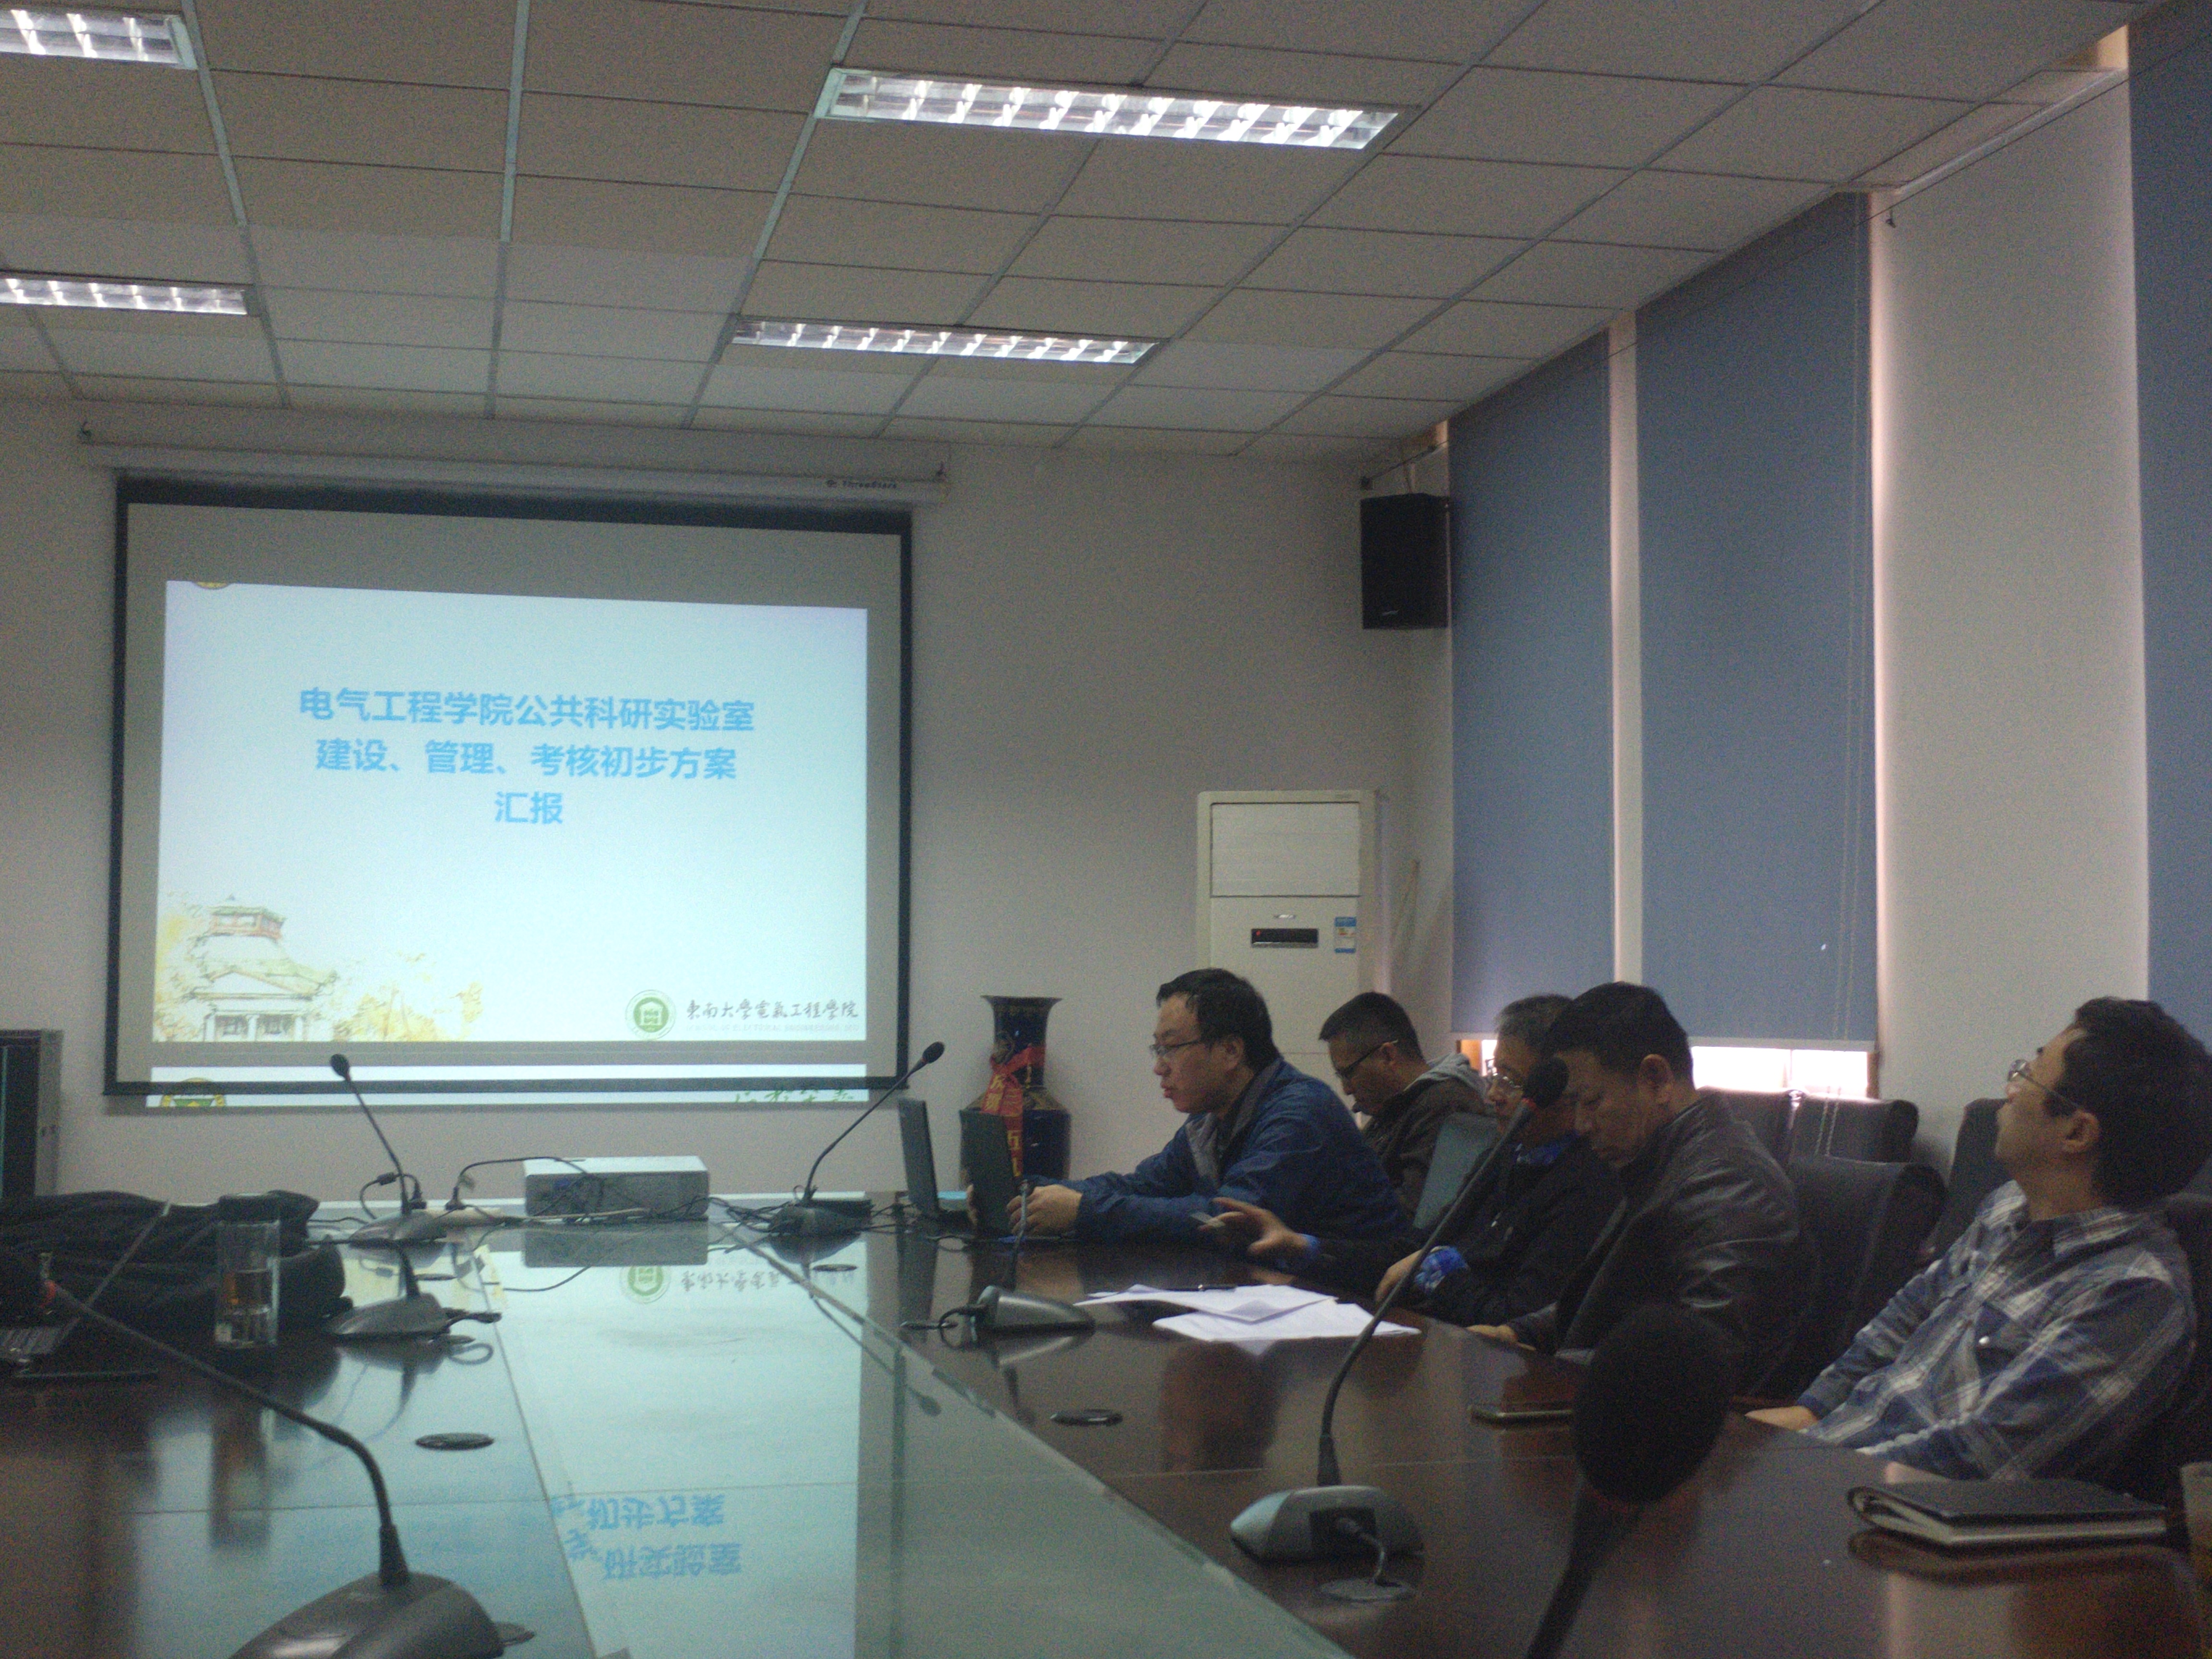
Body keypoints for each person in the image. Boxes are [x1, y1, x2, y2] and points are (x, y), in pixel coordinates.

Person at [1750, 998, 2212, 1481]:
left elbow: (1978, 1458)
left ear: (2077, 1133)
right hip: (1831, 1457)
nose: (2009, 1091)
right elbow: (1904, 1319)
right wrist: (1807, 1415)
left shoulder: (2133, 1295)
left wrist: (1805, 1471)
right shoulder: (2009, 1207)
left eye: (2027, 1076)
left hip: (1886, 1503)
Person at [1470, 982, 1815, 1393]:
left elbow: (1699, 1361)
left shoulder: (1729, 1186)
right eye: (1573, 1105)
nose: (1580, 1125)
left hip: (1695, 1426)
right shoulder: (1662, 1158)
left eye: (1590, 1102)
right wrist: (1517, 1333)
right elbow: (1603, 1302)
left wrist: (1554, 1367)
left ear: (1656, 1079)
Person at [1211, 993, 1620, 1326]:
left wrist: (1438, 1271)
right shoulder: (1507, 1153)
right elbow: (1416, 1246)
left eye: (1512, 1082)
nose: (1494, 1094)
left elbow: (1515, 1315)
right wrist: (1304, 1246)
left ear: (1563, 1087)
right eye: (1496, 1074)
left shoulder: (1588, 1182)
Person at [1006, 968, 1404, 1246]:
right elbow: (1145, 1186)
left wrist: (1086, 1211)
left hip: (1362, 1309)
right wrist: (1029, 1191)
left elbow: (1227, 1220)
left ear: (1230, 1051)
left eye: (1171, 1048)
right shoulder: (1211, 1119)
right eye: (1157, 1049)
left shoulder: (1300, 1113)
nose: (1160, 1067)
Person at [1319, 989, 1486, 1219]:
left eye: (1348, 1073)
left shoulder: (1446, 1105)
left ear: (1388, 1056)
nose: (1346, 1089)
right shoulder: (1401, 1104)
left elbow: (1412, 1216)